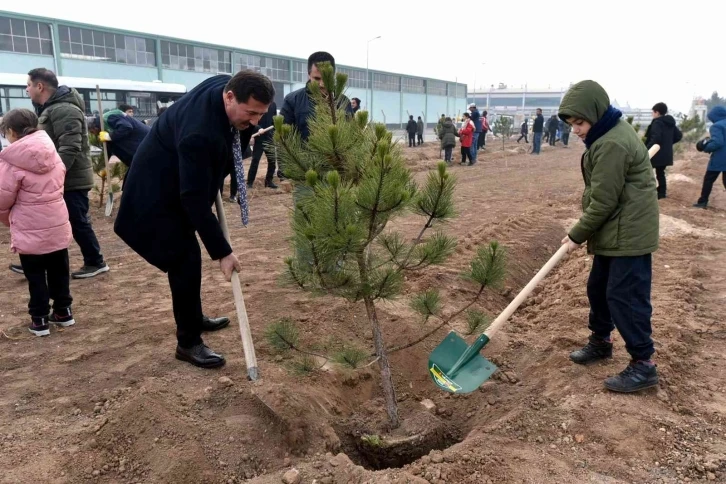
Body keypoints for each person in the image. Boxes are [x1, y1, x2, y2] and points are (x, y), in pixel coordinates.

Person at [114, 71, 275, 369]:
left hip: (179, 177)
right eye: (250, 112)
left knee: (189, 257)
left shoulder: (225, 82)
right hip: (156, 195)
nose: (255, 122)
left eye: (261, 114)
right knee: (184, 258)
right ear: (229, 97)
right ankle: (188, 342)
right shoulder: (199, 134)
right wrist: (223, 253)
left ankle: (194, 316)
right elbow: (195, 201)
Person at [559, 80, 659, 393]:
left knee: (625, 297)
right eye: (571, 123)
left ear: (597, 114)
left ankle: (643, 365)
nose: (575, 130)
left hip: (628, 231)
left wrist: (576, 234)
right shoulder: (608, 132)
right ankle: (601, 341)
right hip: (615, 227)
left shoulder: (611, 143)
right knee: (598, 287)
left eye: (579, 122)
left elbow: (604, 200)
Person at [11, 68, 108, 279]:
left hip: (71, 179)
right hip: (61, 178)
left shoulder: (64, 109)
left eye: (28, 85)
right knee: (49, 221)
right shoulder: (48, 109)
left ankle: (95, 261)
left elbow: (69, 147)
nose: (26, 89)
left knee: (77, 221)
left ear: (40, 86)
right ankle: (37, 261)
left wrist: (54, 175)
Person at [0, 109, 75, 336]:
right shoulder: (52, 152)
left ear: (12, 132)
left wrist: (7, 219)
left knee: (35, 276)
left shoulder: (11, 161)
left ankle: (40, 319)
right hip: (57, 222)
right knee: (59, 271)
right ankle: (63, 312)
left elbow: (3, 198)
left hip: (29, 228)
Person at [281, 51, 352, 143]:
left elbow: (351, 135)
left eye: (327, 78)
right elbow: (283, 139)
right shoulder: (292, 100)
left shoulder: (343, 101)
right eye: (317, 79)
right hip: (302, 157)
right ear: (309, 75)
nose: (322, 84)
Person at [644, 102, 682, 199]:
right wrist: (667, 144)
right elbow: (678, 136)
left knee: (646, 172)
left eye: (653, 112)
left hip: (656, 152)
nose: (652, 114)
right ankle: (661, 194)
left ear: (657, 112)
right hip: (665, 153)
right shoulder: (670, 123)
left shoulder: (657, 123)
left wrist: (646, 150)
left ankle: (649, 193)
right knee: (660, 173)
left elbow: (655, 138)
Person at [693, 105, 726, 209]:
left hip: (720, 158)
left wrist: (706, 147)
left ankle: (702, 202)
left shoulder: (716, 126)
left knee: (708, 179)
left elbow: (718, 142)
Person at [246, 101, 279, 189]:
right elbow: (252, 120)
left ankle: (269, 181)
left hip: (269, 137)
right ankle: (250, 182)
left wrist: (275, 130)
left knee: (272, 161)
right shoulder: (258, 103)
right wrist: (258, 128)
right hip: (259, 137)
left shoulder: (273, 104)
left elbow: (274, 119)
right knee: (255, 160)